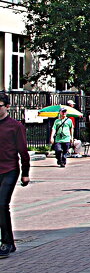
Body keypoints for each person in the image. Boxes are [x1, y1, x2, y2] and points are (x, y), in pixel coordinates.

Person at [0, 94, 30, 259]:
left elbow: (23, 151)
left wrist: (25, 173)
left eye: (0, 105)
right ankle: (9, 241)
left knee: (2, 204)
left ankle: (6, 242)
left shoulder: (15, 126)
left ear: (7, 107)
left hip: (9, 169)